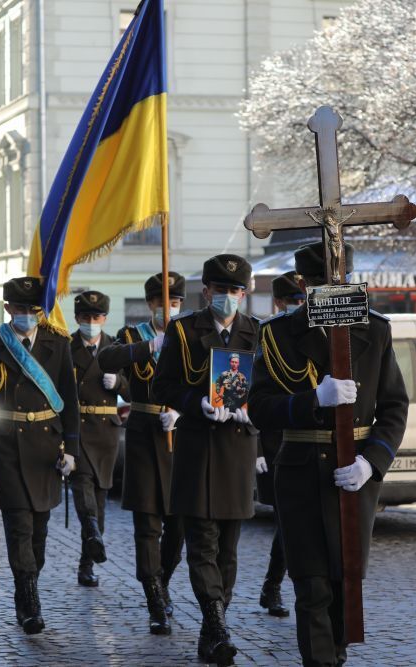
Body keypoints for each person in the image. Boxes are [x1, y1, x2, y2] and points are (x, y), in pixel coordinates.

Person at [247, 241, 409, 667]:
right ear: (304, 284)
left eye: (338, 279)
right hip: (301, 473)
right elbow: (260, 407)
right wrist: (311, 400)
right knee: (312, 584)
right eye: (321, 282)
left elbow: (394, 406)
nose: (331, 289)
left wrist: (371, 462)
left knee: (345, 582)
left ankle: (334, 656)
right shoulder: (278, 333)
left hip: (352, 473)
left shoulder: (375, 329)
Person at [151, 254, 260, 665]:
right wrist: (196, 402)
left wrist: (254, 410)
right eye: (222, 290)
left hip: (237, 449)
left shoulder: (255, 332)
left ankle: (211, 634)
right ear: (207, 291)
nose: (229, 297)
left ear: (244, 293)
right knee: (202, 545)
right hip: (198, 450)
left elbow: (264, 389)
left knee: (228, 551)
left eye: (236, 291)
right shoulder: (182, 331)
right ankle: (217, 625)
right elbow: (163, 385)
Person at [0, 276, 79, 635]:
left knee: (39, 532)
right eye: (20, 310)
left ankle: (26, 586)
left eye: (33, 311)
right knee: (19, 527)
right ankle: (30, 603)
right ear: (7, 310)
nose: (27, 316)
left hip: (47, 448)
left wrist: (73, 449)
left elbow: (70, 401)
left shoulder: (58, 344)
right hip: (7, 448)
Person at [98, 271, 186, 635]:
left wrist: (180, 411)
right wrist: (148, 347)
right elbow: (108, 358)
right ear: (151, 304)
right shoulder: (134, 336)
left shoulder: (191, 335)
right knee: (147, 525)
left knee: (178, 527)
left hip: (180, 438)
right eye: (164, 303)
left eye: (176, 303)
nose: (170, 309)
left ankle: (162, 579)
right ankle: (154, 597)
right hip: (143, 438)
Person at [67, 290, 129, 588]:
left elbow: (134, 392)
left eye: (97, 317)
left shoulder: (114, 349)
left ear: (105, 318)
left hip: (106, 431)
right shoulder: (66, 348)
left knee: (101, 499)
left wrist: (119, 382)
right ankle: (90, 530)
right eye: (85, 317)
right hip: (78, 429)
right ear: (77, 318)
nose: (91, 322)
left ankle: (87, 561)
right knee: (83, 488)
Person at [255, 270, 305, 618]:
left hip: (308, 436)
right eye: (291, 301)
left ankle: (281, 585)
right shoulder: (267, 335)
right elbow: (252, 394)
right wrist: (256, 448)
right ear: (278, 303)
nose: (297, 306)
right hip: (275, 441)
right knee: (289, 519)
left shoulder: (315, 332)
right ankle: (274, 586)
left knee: (298, 521)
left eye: (301, 301)